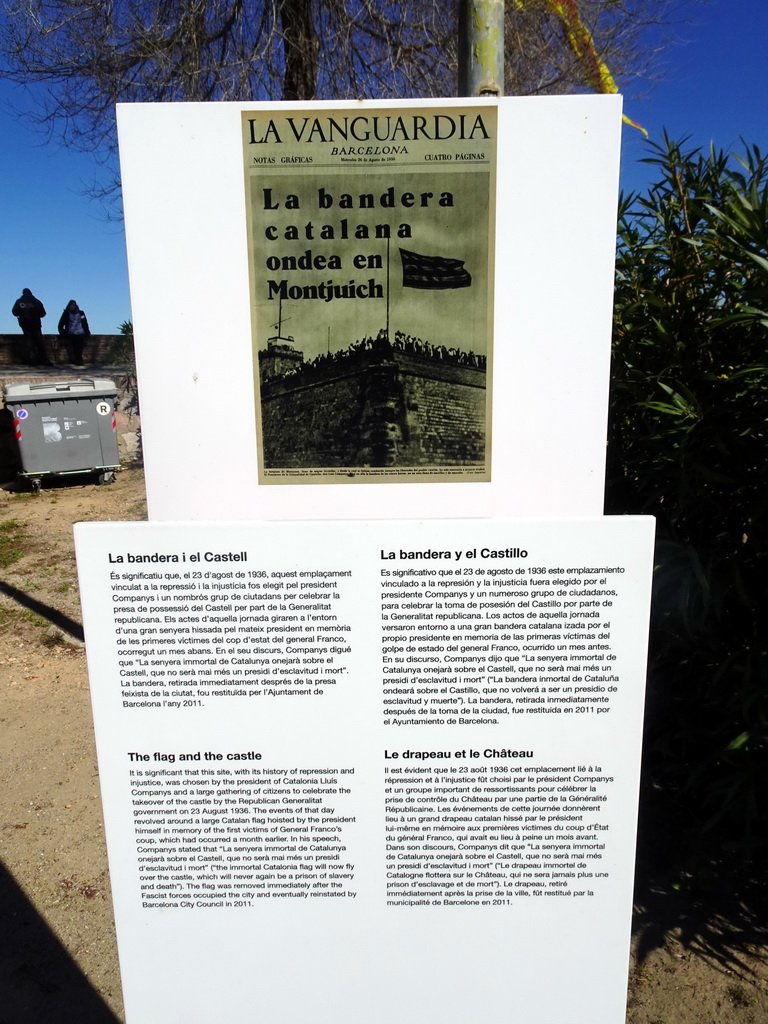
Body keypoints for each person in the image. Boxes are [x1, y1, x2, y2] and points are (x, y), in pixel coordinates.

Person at [12, 288, 51, 365]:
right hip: (36, 324)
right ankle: (44, 360)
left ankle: (33, 360)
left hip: (25, 325)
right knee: (39, 343)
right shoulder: (36, 301)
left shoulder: (19, 302)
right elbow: (43, 313)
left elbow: (14, 312)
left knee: (30, 344)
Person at [58, 299, 91, 367]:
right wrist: (62, 333)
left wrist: (87, 331)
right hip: (72, 332)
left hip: (80, 332)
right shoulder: (66, 313)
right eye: (71, 305)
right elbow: (61, 324)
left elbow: (85, 323)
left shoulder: (81, 313)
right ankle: (76, 359)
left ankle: (79, 359)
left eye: (73, 305)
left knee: (80, 346)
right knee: (74, 346)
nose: (72, 306)